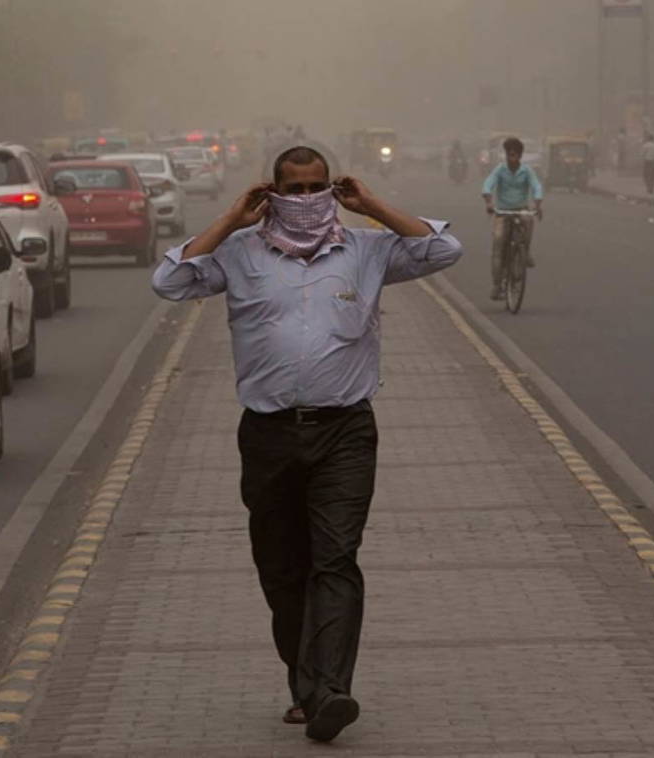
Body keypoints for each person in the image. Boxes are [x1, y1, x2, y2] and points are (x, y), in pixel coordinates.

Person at [151, 146, 462, 743]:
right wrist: (230, 220)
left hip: (345, 432)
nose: (304, 199)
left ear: (332, 187)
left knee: (335, 560)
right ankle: (306, 684)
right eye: (291, 189)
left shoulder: (367, 252)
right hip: (268, 435)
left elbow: (442, 248)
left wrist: (369, 205)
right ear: (271, 192)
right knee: (282, 567)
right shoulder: (239, 255)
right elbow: (170, 281)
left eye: (315, 187)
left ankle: (330, 691)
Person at [481, 137, 543, 300]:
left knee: (529, 221)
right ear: (506, 154)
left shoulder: (527, 171)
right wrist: (489, 202)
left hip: (521, 209)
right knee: (499, 244)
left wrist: (537, 205)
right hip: (502, 212)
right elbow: (488, 184)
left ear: (520, 156)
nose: (512, 158)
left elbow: (536, 186)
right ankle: (496, 285)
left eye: (515, 155)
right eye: (509, 154)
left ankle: (525, 252)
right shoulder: (500, 170)